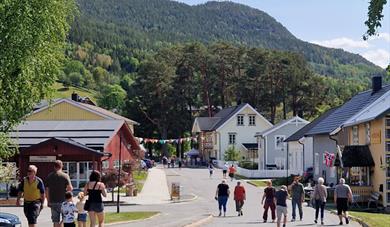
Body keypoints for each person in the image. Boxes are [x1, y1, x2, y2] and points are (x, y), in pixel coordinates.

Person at [46, 160, 73, 227]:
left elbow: (47, 190)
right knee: (65, 218)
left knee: (55, 220)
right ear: (62, 166)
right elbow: (70, 188)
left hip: (53, 201)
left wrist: (48, 201)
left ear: (54, 166)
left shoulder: (49, 176)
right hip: (63, 201)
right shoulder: (65, 176)